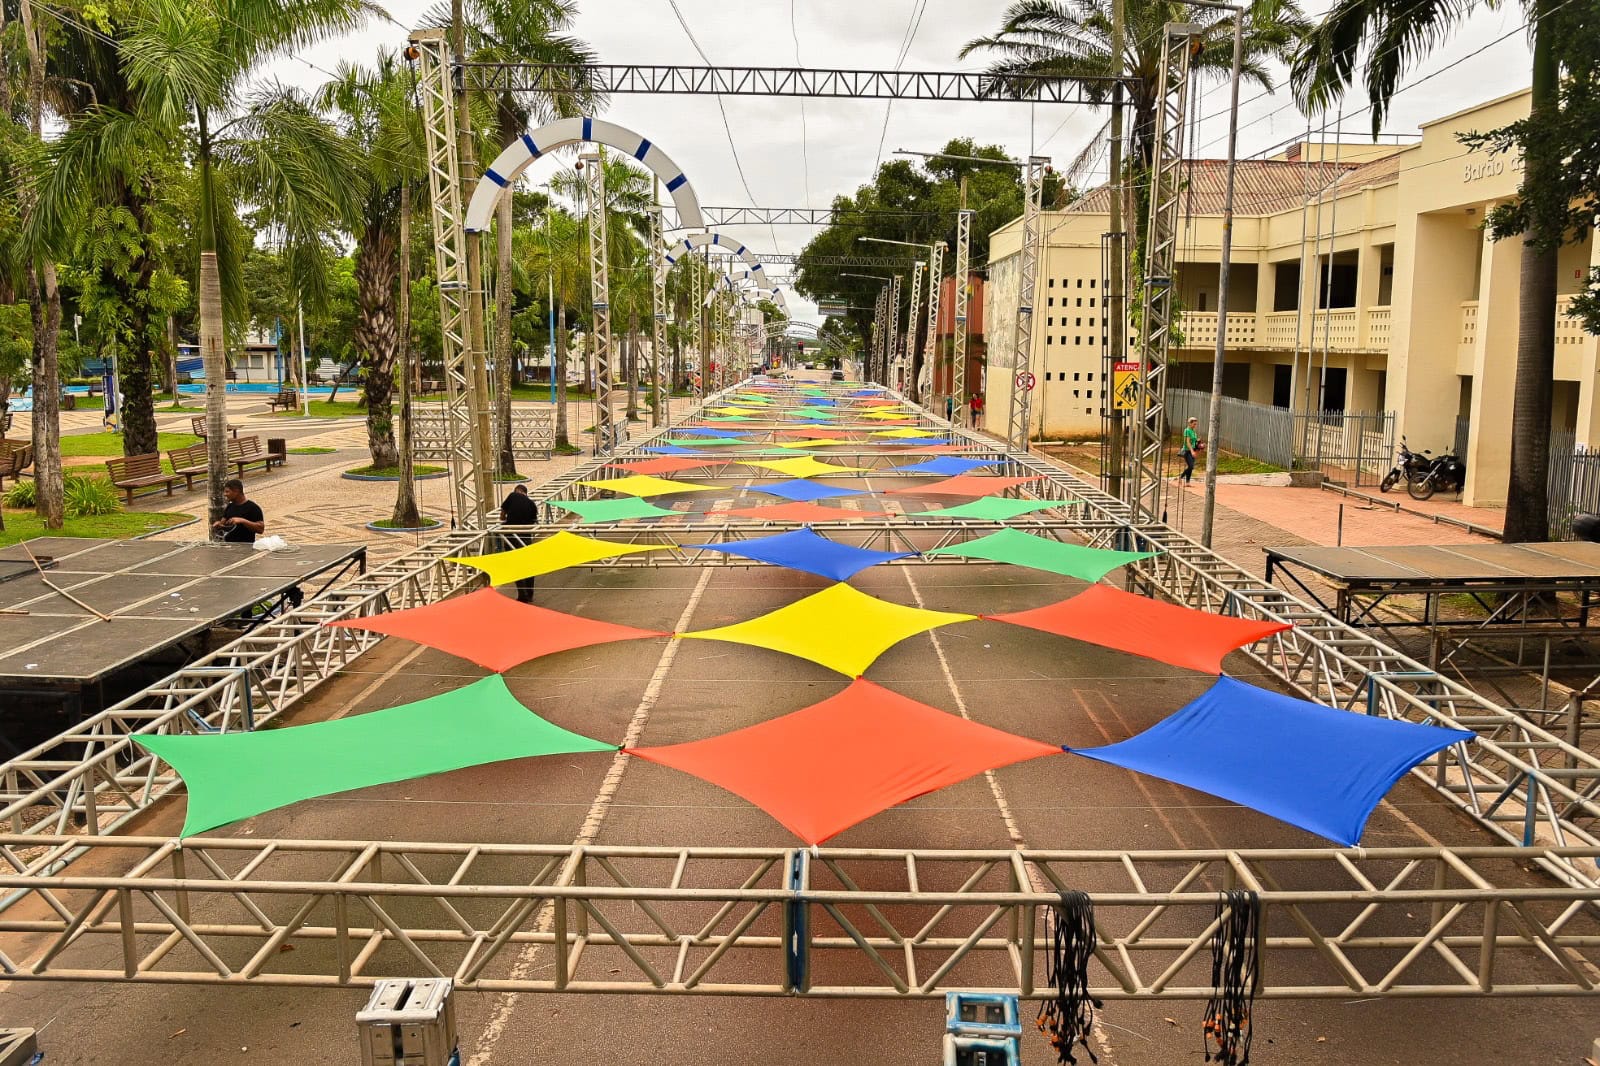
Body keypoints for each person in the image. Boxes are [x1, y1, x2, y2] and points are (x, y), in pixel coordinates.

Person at [500, 483, 540, 603]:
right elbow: (534, 521)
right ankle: (530, 593)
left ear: (517, 490)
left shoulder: (512, 496)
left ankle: (523, 595)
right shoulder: (532, 504)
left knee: (515, 564)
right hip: (525, 537)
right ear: (525, 493)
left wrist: (505, 518)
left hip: (511, 536)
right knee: (527, 565)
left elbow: (502, 515)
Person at [213, 479, 265, 544]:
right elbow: (223, 523)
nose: (225, 494)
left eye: (227, 492)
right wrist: (219, 524)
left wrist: (243, 521)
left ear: (236, 491)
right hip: (229, 547)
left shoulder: (253, 508)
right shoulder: (230, 506)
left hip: (246, 548)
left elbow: (261, 529)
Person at [1179, 416, 1201, 484]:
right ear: (1190, 423)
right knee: (1191, 466)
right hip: (1187, 450)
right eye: (1194, 424)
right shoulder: (1187, 430)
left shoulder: (1193, 431)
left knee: (1191, 467)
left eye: (1196, 424)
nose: (1195, 425)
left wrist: (1199, 443)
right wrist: (1191, 451)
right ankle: (1181, 477)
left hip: (1193, 450)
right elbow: (1187, 442)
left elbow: (1194, 441)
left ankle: (1187, 482)